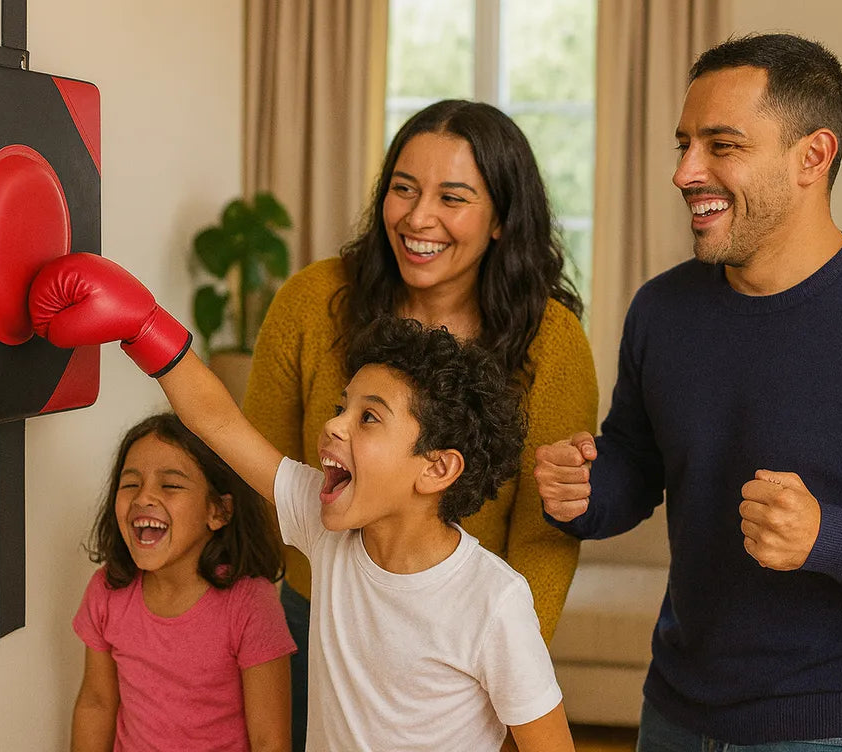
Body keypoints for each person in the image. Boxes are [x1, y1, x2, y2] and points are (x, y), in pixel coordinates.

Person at [537, 32, 842, 750]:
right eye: (684, 144)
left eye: (722, 146)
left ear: (812, 157)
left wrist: (829, 535)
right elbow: (638, 461)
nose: (686, 172)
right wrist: (586, 490)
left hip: (838, 729)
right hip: (673, 709)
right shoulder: (662, 309)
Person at [29, 252, 576, 752]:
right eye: (342, 405)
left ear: (436, 467)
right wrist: (145, 328)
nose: (333, 424)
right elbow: (218, 421)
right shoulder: (326, 523)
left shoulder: (493, 601)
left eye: (368, 417)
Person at [242, 99, 598, 746]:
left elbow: (546, 530)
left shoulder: (553, 342)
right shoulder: (311, 302)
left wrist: (505, 664)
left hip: (455, 644)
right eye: (403, 188)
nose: (417, 216)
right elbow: (259, 468)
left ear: (500, 221)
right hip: (316, 612)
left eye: (452, 197)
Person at [69, 412, 296, 752]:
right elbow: (97, 702)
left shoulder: (250, 604)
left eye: (170, 485)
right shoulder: (106, 590)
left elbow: (270, 741)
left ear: (218, 511)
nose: (144, 497)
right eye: (130, 484)